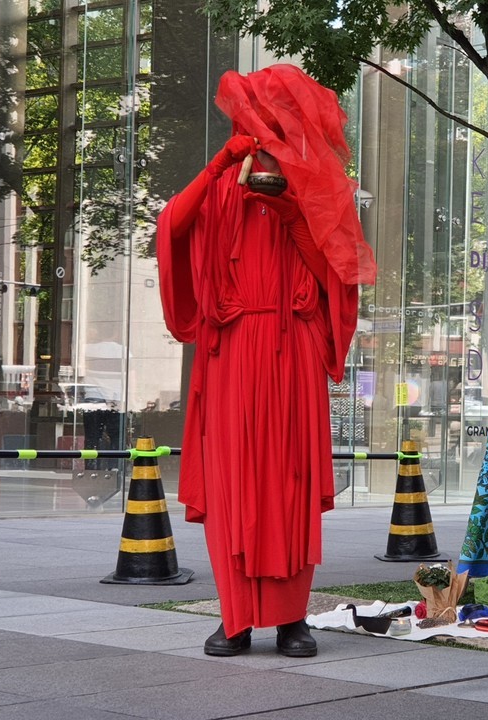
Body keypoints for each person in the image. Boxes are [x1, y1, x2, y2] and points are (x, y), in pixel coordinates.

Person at [156, 65, 376, 657]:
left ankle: (291, 620)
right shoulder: (222, 186)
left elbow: (338, 271)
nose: (266, 130)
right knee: (231, 483)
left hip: (293, 348)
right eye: (256, 120)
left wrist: (288, 212)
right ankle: (233, 619)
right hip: (232, 353)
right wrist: (221, 165)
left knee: (290, 481)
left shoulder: (312, 189)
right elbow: (171, 225)